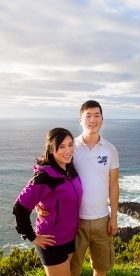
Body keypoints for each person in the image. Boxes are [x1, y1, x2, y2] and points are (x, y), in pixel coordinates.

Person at [37, 100, 119, 276]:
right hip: (75, 221)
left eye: (96, 115)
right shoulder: (70, 148)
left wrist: (114, 217)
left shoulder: (111, 150)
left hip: (102, 219)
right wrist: (39, 202)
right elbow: (49, 172)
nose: (92, 119)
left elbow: (113, 184)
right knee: (74, 270)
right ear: (80, 120)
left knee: (101, 269)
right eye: (88, 116)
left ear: (102, 119)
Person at [13, 127, 83, 276]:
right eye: (61, 146)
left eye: (70, 145)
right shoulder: (45, 176)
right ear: (51, 150)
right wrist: (32, 236)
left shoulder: (70, 169)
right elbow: (20, 207)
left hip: (69, 238)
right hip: (52, 242)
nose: (68, 150)